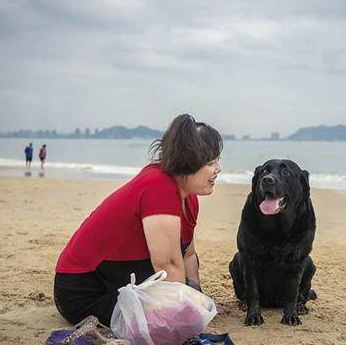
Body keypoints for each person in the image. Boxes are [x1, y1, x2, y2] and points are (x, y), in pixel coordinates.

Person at [53, 114, 222, 326]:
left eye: (217, 160)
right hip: (86, 293)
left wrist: (197, 296)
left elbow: (187, 254)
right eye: (210, 162)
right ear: (187, 161)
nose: (218, 169)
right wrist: (185, 313)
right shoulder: (158, 187)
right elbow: (167, 264)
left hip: (121, 278)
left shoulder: (188, 198)